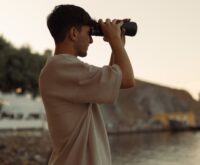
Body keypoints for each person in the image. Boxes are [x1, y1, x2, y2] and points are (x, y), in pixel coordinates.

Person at [39, 4, 135, 165]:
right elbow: (126, 79)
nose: (91, 40)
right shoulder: (61, 67)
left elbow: (114, 76)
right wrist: (114, 40)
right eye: (89, 33)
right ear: (74, 33)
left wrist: (118, 44)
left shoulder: (61, 69)